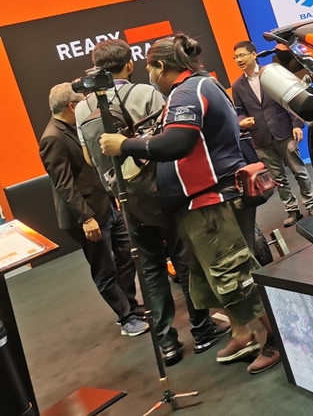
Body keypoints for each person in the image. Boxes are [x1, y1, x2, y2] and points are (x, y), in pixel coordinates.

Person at [99, 34, 281, 375]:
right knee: (210, 276)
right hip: (202, 201)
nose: (149, 74)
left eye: (151, 68)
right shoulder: (194, 87)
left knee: (234, 275)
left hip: (214, 200)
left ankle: (278, 340)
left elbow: (178, 143)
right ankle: (242, 333)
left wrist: (125, 144)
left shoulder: (188, 91)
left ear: (161, 66)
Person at [75, 39, 228, 366]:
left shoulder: (81, 107)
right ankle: (202, 331)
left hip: (125, 196)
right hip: (162, 189)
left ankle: (167, 344)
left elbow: (90, 158)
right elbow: (167, 140)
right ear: (129, 65)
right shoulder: (147, 92)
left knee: (150, 267)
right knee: (183, 257)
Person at [39, 83, 149, 338]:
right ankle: (126, 318)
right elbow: (64, 185)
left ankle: (131, 306)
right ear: (72, 106)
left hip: (106, 206)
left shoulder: (73, 127)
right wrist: (87, 218)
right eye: (81, 103)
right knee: (104, 268)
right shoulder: (52, 138)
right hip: (86, 216)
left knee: (125, 255)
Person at [231, 41, 313, 227]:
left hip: (284, 131)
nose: (238, 59)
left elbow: (291, 97)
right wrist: (242, 121)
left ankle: (311, 203)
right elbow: (239, 111)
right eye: (236, 57)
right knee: (278, 179)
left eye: (242, 55)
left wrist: (297, 124)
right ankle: (292, 210)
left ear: (254, 55)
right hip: (260, 137)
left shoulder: (271, 73)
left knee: (299, 171)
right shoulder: (237, 85)